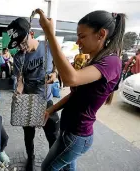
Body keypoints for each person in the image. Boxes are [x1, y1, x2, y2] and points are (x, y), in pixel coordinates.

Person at [34, 9, 125, 171]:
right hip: (69, 131)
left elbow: (70, 79)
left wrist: (50, 34)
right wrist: (51, 109)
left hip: (77, 136)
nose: (77, 42)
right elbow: (75, 95)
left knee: (47, 167)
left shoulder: (112, 62)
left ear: (101, 34)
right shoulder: (95, 61)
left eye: (82, 36)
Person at [7, 17, 60, 171]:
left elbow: (57, 63)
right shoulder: (18, 57)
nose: (22, 47)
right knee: (28, 135)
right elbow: (20, 80)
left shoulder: (48, 47)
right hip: (28, 102)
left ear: (31, 33)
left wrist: (55, 74)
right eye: (18, 45)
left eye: (23, 42)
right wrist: (18, 92)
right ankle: (31, 158)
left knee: (53, 136)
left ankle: (52, 161)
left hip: (47, 101)